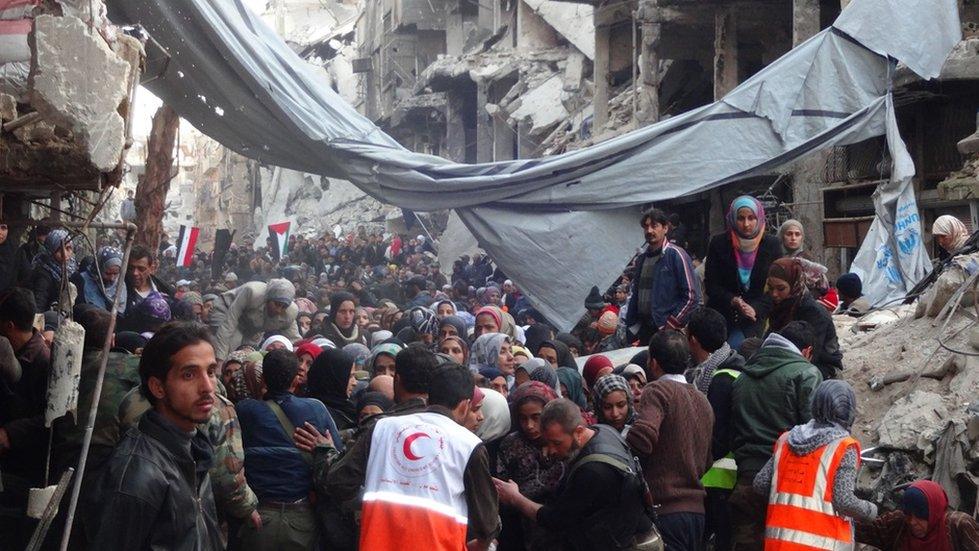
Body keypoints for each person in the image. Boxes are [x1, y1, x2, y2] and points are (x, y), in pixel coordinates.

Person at [88, 322, 224, 549]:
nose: (208, 387)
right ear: (158, 387)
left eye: (210, 371)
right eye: (189, 374)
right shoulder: (138, 474)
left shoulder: (195, 451)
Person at [353, 363, 498, 550]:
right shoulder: (468, 445)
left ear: (428, 399)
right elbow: (487, 524)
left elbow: (339, 481)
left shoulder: (382, 427)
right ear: (464, 406)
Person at [494, 399, 657, 551]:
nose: (551, 451)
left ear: (578, 431)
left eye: (557, 443)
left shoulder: (592, 470)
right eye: (547, 443)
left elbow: (554, 519)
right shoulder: (603, 431)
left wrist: (515, 498)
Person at [236, 349, 342, 551]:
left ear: (263, 378)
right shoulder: (315, 409)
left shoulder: (245, 410)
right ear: (296, 379)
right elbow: (338, 457)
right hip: (302, 519)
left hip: (259, 517)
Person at [729, 321, 822, 551]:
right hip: (788, 482)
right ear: (807, 351)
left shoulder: (743, 377)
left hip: (746, 479)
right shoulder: (806, 373)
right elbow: (815, 433)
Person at [754, 380, 877, 550]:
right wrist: (870, 510)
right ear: (848, 412)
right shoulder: (843, 447)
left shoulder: (786, 440)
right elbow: (844, 501)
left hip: (778, 544)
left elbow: (760, 484)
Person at [627, 329, 713, 551]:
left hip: (665, 511)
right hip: (697, 513)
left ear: (653, 363)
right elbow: (707, 462)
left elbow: (642, 439)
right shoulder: (702, 400)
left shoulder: (657, 390)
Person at [684, 307, 745, 551]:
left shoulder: (721, 378)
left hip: (719, 478)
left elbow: (717, 437)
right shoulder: (729, 365)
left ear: (693, 340)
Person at [0, 288, 52, 546]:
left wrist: (11, 433)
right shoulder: (10, 353)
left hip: (20, 463)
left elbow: (51, 419)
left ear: (9, 325)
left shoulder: (41, 361)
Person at [704, 196, 782, 347]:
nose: (746, 224)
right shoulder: (719, 243)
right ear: (732, 218)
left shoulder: (771, 245)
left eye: (751, 218)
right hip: (722, 316)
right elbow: (711, 285)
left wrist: (755, 308)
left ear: (759, 217)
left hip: (755, 318)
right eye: (740, 218)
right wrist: (733, 300)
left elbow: (777, 287)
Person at [625, 207, 701, 343]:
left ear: (665, 228)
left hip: (667, 330)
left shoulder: (676, 255)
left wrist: (670, 325)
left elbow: (691, 297)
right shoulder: (642, 259)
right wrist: (633, 325)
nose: (649, 231)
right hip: (644, 329)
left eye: (654, 226)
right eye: (646, 227)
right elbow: (636, 295)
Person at [766, 258, 843, 379]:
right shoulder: (780, 307)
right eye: (771, 288)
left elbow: (811, 354)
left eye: (781, 289)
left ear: (794, 285)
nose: (774, 294)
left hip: (821, 366)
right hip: (784, 361)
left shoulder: (814, 312)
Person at [856, 480, 979, 551]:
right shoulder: (898, 524)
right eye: (908, 514)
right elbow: (859, 529)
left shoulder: (959, 526)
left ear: (934, 512)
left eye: (920, 515)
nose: (912, 522)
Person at [209, 278, 302, 360]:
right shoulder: (251, 291)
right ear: (268, 299)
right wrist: (220, 360)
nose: (279, 310)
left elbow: (295, 340)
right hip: (226, 310)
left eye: (284, 306)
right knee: (231, 347)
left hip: (251, 327)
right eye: (277, 304)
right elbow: (228, 325)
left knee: (249, 354)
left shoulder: (291, 312)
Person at [306, 347, 359, 432]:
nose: (355, 383)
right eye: (349, 376)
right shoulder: (315, 413)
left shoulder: (349, 408)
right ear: (334, 377)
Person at [30, 228, 76, 312]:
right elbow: (38, 306)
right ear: (51, 250)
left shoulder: (70, 269)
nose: (65, 254)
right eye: (59, 250)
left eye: (68, 248)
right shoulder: (43, 276)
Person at [124, 244, 175, 314]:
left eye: (141, 269)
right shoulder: (120, 291)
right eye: (131, 268)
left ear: (151, 269)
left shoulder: (166, 290)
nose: (135, 273)